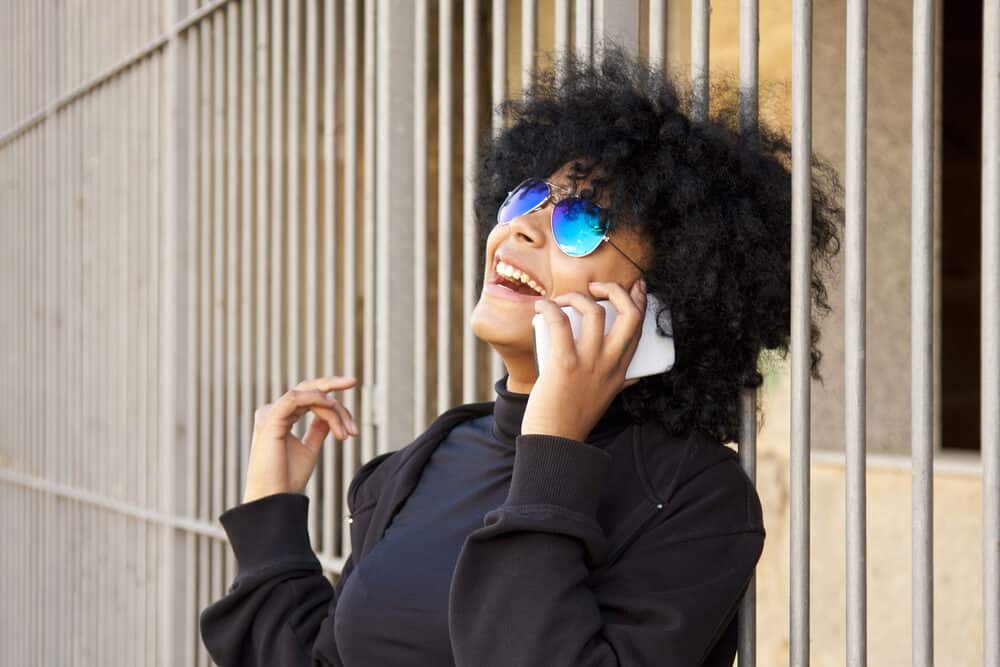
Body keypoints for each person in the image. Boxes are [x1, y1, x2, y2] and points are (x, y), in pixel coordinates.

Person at [199, 41, 843, 666]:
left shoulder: (693, 495)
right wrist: (271, 514)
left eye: (581, 222)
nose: (520, 228)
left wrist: (554, 457)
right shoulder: (425, 460)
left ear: (667, 301)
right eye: (528, 198)